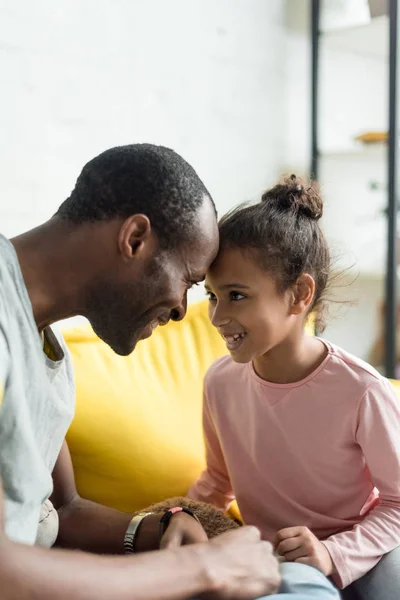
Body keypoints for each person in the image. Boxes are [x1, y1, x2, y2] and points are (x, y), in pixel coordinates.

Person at [0, 145, 339, 599]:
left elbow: (64, 509)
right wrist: (202, 569)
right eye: (190, 281)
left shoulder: (47, 352)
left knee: (298, 583)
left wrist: (162, 528)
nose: (184, 309)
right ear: (135, 239)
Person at [189, 174, 400, 600]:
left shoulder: (362, 390)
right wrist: (175, 520)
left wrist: (331, 553)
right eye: (212, 296)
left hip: (369, 554)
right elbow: (216, 482)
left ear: (300, 293)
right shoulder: (220, 383)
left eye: (237, 295)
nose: (216, 317)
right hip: (284, 567)